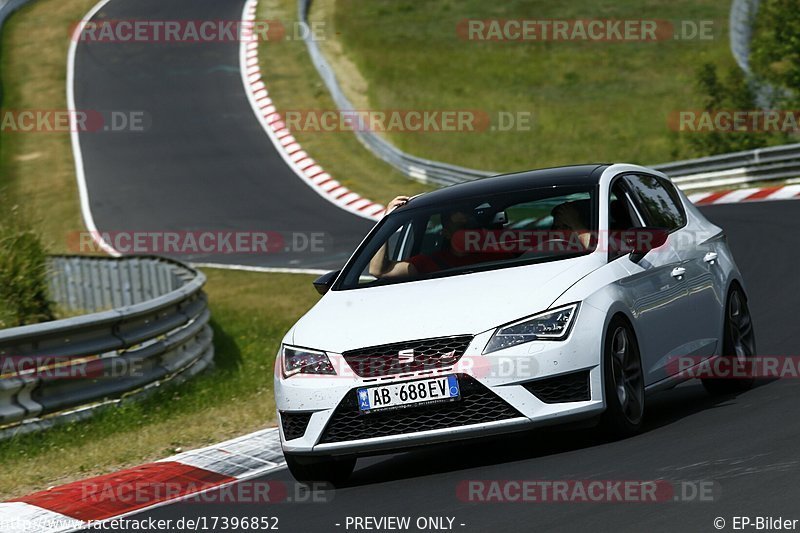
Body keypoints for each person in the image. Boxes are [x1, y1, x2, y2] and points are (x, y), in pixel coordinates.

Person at [368, 196, 508, 279]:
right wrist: (387, 218)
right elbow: (378, 270)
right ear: (446, 233)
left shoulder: (498, 254)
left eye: (470, 225)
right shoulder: (428, 263)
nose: (467, 233)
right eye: (460, 228)